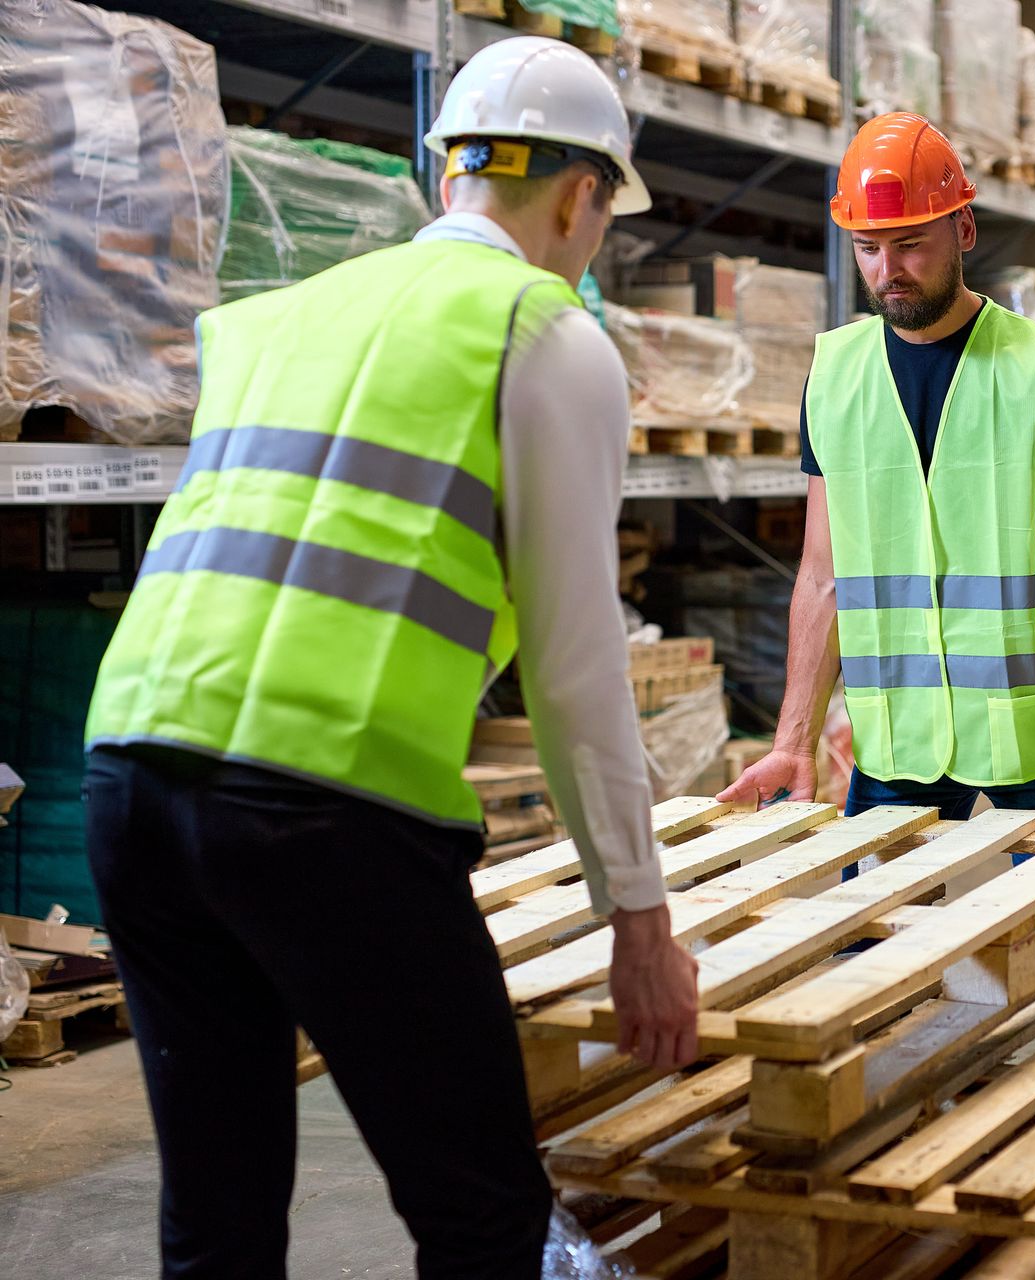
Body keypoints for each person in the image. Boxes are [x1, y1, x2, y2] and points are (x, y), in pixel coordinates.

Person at [82, 38, 696, 1279]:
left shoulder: (273, 318)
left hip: (132, 781)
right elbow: (577, 665)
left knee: (219, 1216)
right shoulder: (546, 333)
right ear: (582, 197)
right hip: (326, 813)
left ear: (448, 176)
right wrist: (639, 916)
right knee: (478, 1214)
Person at [720, 113, 1035, 941]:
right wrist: (794, 737)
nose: (888, 270)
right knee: (873, 952)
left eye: (910, 244)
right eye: (868, 247)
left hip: (1030, 739)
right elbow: (822, 576)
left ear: (962, 227)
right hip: (896, 738)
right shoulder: (832, 375)